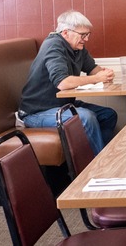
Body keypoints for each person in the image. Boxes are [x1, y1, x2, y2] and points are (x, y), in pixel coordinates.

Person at [18, 10, 117, 155]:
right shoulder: (53, 46)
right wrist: (97, 78)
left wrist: (106, 73)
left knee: (108, 115)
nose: (86, 39)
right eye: (83, 35)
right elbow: (63, 82)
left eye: (88, 34)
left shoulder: (77, 47)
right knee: (85, 118)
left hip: (63, 105)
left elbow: (93, 69)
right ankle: (100, 164)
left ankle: (95, 156)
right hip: (37, 112)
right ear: (65, 33)